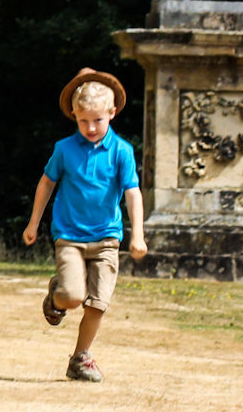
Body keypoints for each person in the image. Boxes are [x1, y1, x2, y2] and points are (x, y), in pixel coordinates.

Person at [22, 69, 148, 382]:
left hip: (107, 238)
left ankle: (80, 358)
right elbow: (46, 183)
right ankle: (56, 297)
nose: (90, 128)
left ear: (112, 113)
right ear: (74, 116)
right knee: (74, 296)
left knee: (97, 303)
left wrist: (139, 235)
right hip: (69, 237)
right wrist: (34, 222)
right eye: (83, 121)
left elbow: (132, 193)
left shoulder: (122, 151)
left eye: (97, 121)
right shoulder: (64, 149)